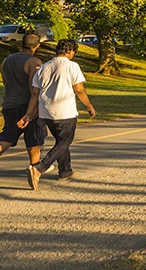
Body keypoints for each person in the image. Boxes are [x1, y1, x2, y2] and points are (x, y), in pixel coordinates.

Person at [19, 39, 96, 189]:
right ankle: (39, 168)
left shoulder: (43, 68)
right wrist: (89, 106)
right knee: (65, 141)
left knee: (61, 141)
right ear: (70, 51)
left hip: (46, 112)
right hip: (65, 111)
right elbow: (79, 89)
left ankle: (65, 171)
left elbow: (35, 94)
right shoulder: (72, 66)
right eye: (74, 51)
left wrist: (29, 114)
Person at [0, 33, 45, 182]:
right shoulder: (34, 61)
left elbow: (5, 81)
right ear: (37, 45)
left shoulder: (7, 60)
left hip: (9, 104)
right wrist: (32, 111)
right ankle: (34, 167)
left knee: (9, 133)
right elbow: (34, 90)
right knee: (33, 137)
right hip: (26, 104)